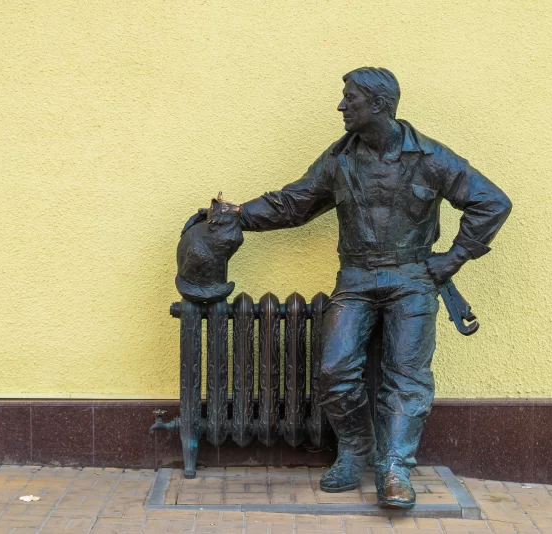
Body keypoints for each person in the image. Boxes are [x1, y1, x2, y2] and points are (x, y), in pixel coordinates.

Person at [191, 67, 511, 508]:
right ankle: (356, 448)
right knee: (334, 371)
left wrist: (453, 258)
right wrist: (238, 214)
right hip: (356, 277)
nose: (342, 106)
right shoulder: (339, 159)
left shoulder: (431, 157)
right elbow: (294, 203)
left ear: (377, 105)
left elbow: (492, 202)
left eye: (350, 98)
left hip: (411, 279)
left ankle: (395, 468)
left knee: (407, 378)